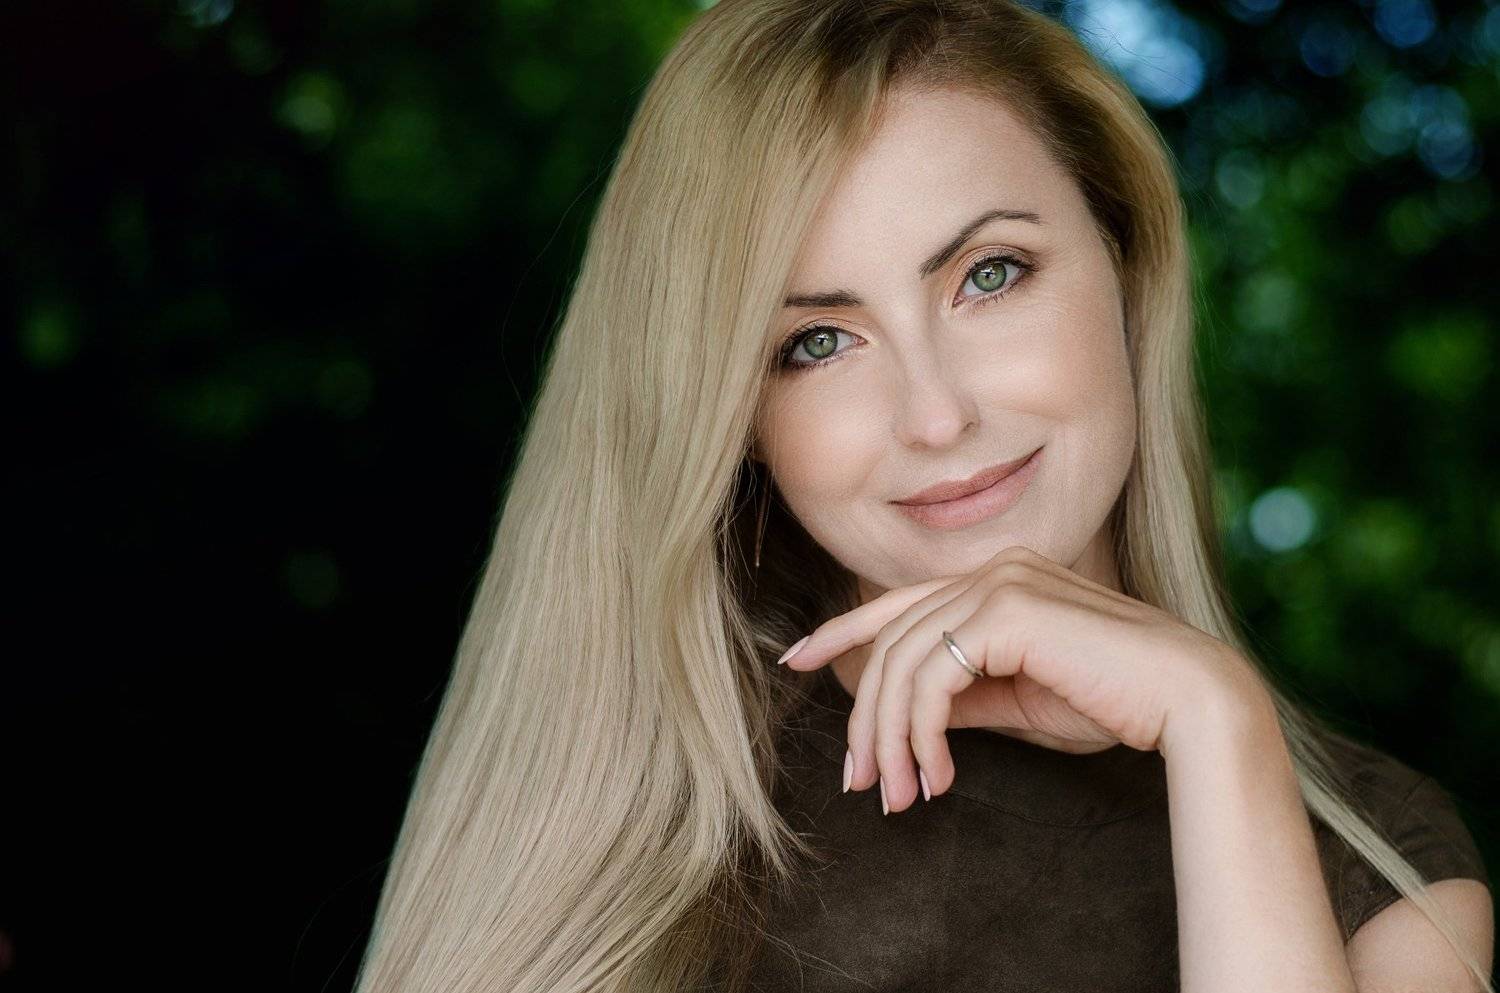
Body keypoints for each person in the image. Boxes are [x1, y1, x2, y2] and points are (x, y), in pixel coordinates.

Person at [351, 2, 1494, 991]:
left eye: (989, 275)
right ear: (733, 420)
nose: (935, 415)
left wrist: (1215, 723)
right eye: (816, 343)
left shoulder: (1388, 872)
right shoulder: (602, 836)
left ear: (1127, 264)